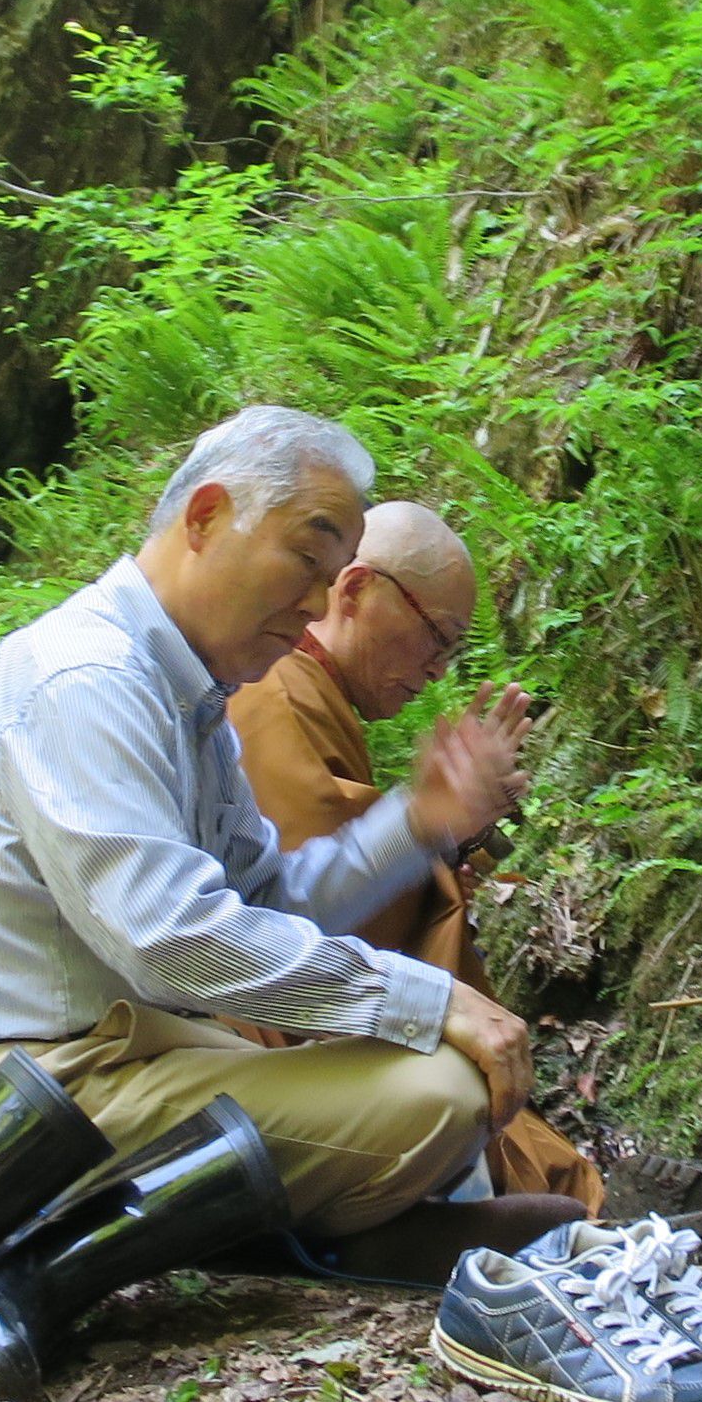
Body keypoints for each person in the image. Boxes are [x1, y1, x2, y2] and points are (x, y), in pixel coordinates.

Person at [0, 406, 585, 1402]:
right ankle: (20, 1264)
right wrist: (430, 998)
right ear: (207, 515)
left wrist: (418, 823)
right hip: (41, 1087)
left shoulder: (193, 701)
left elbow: (273, 901)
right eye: (308, 560)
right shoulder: (87, 678)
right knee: (435, 1086)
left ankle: (53, 1270)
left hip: (149, 1054)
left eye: (336, 574)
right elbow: (171, 938)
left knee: (438, 1087)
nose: (314, 607)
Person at [228, 499, 602, 1209]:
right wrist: (428, 836)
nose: (436, 669)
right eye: (436, 637)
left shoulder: (306, 695)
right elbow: (292, 914)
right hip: (256, 1040)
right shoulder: (270, 696)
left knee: (535, 1164)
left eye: (453, 653)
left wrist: (441, 834)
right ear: (355, 589)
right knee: (525, 1171)